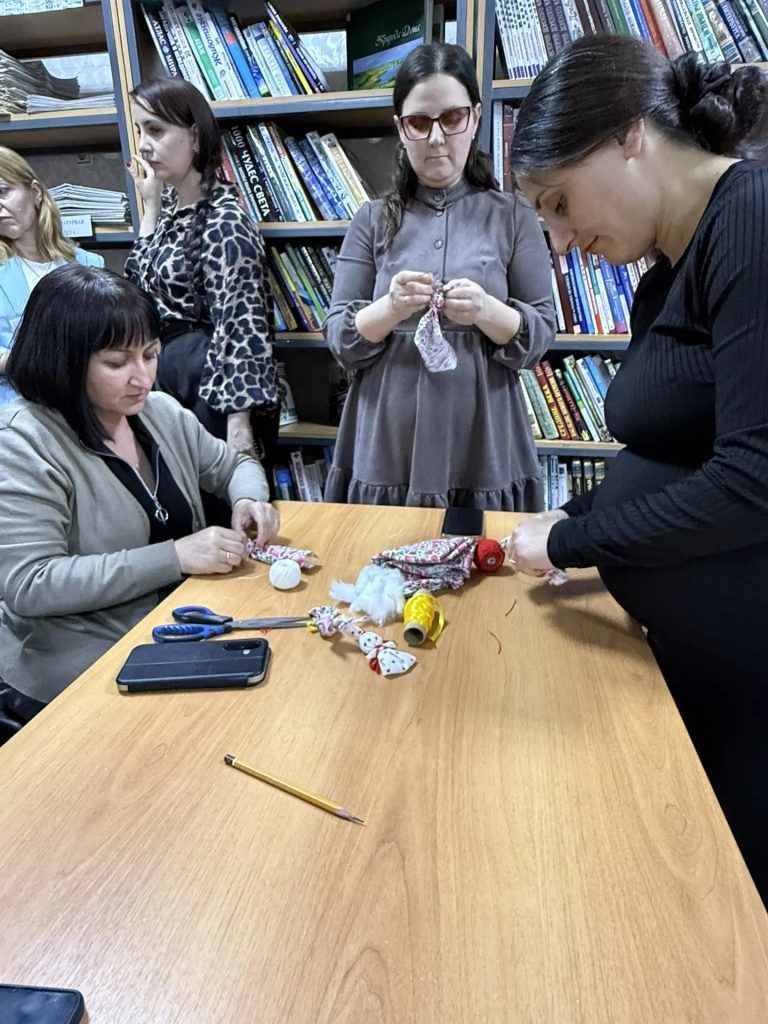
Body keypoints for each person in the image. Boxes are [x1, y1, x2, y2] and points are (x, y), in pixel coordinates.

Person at [507, 35, 768, 902]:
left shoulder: (751, 218)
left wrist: (574, 542)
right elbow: (674, 452)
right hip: (700, 665)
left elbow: (752, 481)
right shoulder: (669, 264)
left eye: (558, 202)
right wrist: (581, 520)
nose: (559, 240)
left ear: (629, 134)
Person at [0, 264, 279, 723]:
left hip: (173, 627)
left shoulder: (158, 412)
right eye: (117, 363)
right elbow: (32, 584)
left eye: (150, 355)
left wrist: (248, 499)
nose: (143, 378)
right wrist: (174, 557)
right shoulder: (22, 443)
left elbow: (234, 465)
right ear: (64, 360)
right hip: (76, 663)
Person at [323, 43, 556, 509]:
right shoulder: (371, 220)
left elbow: (540, 336)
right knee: (383, 549)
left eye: (451, 118)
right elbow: (340, 340)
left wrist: (486, 310)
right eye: (418, 123)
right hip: (386, 441)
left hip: (484, 439)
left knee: (482, 550)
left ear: (475, 117)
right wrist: (390, 308)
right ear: (400, 128)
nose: (435, 138)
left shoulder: (513, 216)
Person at [124, 76, 280, 479]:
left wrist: (238, 426)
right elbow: (137, 289)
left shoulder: (225, 221)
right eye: (139, 130)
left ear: (194, 137)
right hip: (170, 386)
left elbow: (244, 324)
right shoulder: (175, 210)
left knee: (223, 508)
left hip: (214, 392)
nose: (143, 145)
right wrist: (150, 208)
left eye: (155, 130)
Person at [0, 146, 103, 410]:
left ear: (35, 192)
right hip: (14, 411)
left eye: (3, 191)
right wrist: (34, 361)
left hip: (82, 406)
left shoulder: (90, 265)